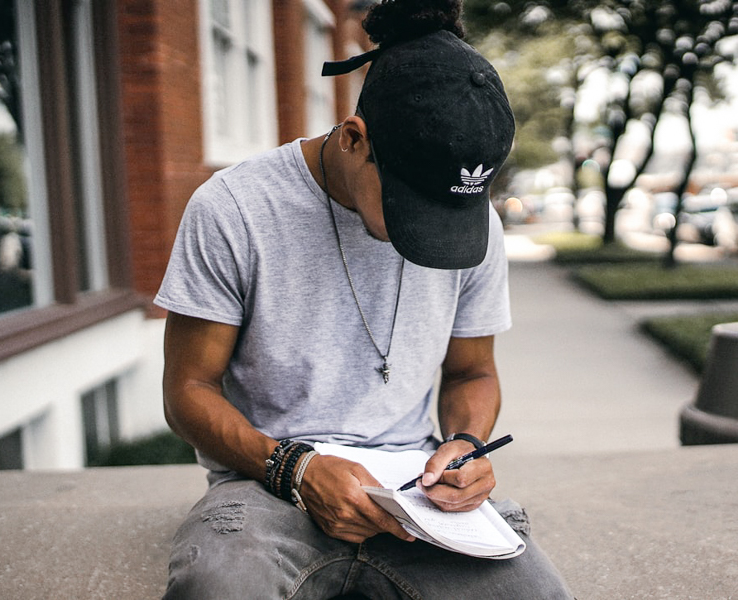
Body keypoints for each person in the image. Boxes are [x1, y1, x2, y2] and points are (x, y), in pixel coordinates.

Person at [155, 1, 573, 598]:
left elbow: (472, 371)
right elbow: (187, 391)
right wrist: (294, 468)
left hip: (415, 491)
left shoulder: (478, 223)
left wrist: (464, 445)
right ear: (355, 139)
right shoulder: (235, 208)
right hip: (267, 480)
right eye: (413, 207)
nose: (431, 231)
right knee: (220, 588)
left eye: (450, 210)